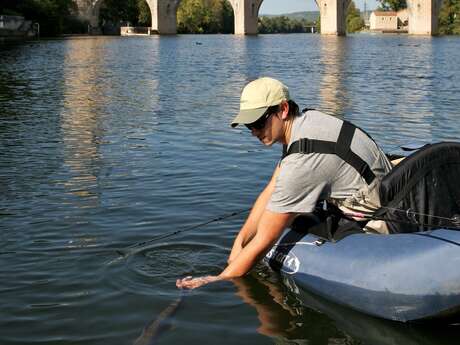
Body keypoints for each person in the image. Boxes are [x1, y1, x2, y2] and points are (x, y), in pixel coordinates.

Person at [176, 77, 392, 290]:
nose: (254, 131)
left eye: (258, 122)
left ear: (284, 109)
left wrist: (218, 279)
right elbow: (273, 187)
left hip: (377, 218)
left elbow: (264, 240)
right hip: (384, 188)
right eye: (248, 125)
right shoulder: (307, 121)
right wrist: (239, 242)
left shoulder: (301, 162)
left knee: (290, 223)